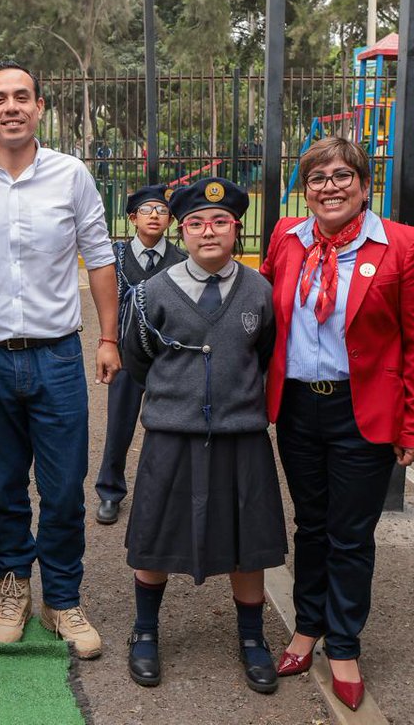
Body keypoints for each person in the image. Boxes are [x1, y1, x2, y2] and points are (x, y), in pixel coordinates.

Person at [0, 60, 120, 660]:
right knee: (7, 488)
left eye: (22, 97)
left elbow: (98, 257)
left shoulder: (71, 176)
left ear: (40, 107)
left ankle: (62, 598)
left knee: (65, 489)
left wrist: (108, 338)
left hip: (58, 358)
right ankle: (13, 586)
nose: (11, 107)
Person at [261, 136, 414, 711]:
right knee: (310, 524)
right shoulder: (287, 238)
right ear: (305, 189)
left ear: (364, 185)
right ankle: (307, 626)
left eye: (342, 176)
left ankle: (343, 643)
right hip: (296, 408)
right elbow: (263, 318)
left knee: (351, 534)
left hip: (363, 410)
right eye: (317, 178)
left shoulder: (403, 245)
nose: (330, 187)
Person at [119, 178, 284, 693]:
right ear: (181, 230)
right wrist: (180, 398)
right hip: (173, 433)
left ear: (237, 228)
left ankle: (253, 638)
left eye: (220, 222)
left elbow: (265, 352)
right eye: (195, 223)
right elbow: (138, 358)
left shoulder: (260, 290)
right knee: (155, 534)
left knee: (247, 541)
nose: (207, 231)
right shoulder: (153, 292)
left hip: (241, 435)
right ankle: (145, 630)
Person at [94, 185, 185, 526]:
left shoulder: (180, 260)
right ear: (132, 218)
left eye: (161, 211)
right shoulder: (115, 258)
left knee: (168, 426)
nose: (154, 216)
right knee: (119, 424)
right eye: (147, 211)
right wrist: (109, 343)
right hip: (126, 355)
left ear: (170, 219)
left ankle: (167, 492)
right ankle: (109, 491)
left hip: (167, 356)